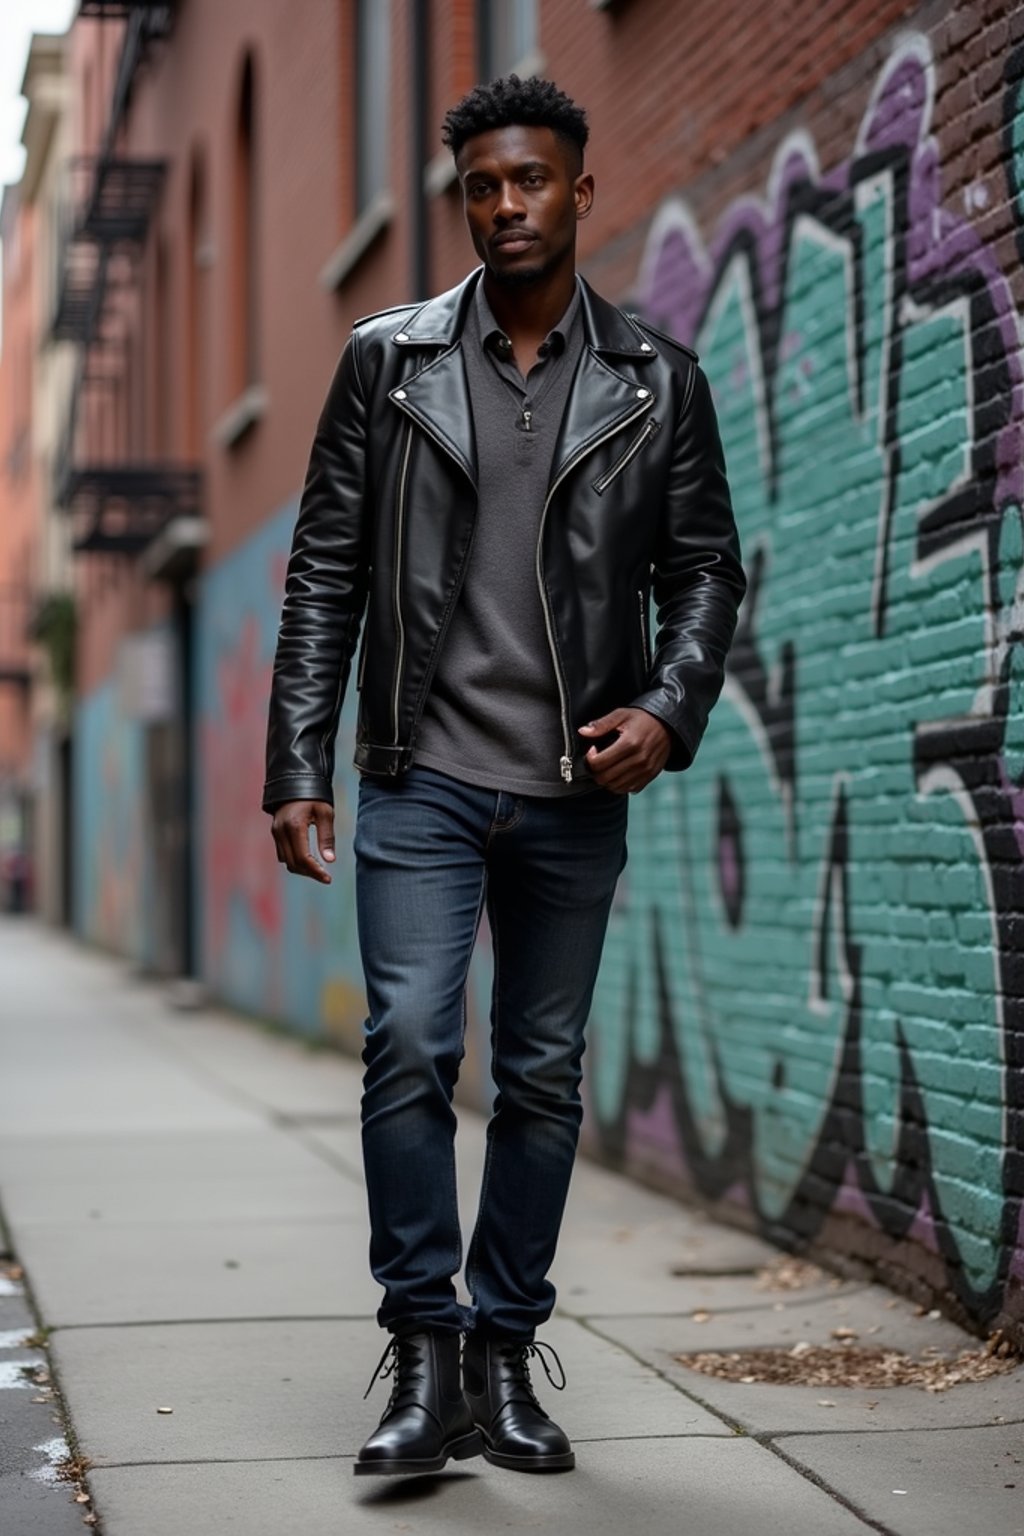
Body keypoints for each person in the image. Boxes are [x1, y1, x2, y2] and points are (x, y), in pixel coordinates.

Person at [263, 74, 745, 1478]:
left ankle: (501, 1351)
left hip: (574, 788)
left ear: (579, 192)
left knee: (538, 1073)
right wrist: (300, 760)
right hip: (419, 775)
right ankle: (422, 1359)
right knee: (411, 1043)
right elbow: (326, 580)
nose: (505, 206)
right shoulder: (389, 364)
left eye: (530, 181)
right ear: (459, 199)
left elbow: (706, 569)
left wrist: (668, 707)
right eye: (481, 186)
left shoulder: (658, 383)